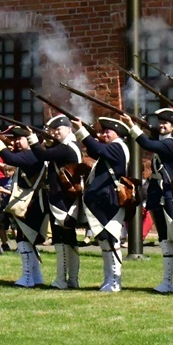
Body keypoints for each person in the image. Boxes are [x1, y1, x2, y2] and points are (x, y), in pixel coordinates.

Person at [121, 109, 173, 294]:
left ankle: (168, 282)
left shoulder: (171, 144)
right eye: (160, 122)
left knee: (167, 239)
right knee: (169, 239)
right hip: (160, 192)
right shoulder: (166, 141)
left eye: (166, 123)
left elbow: (145, 143)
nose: (162, 125)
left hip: (165, 194)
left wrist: (132, 126)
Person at [72, 116, 131, 293]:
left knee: (112, 241)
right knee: (105, 241)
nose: (103, 134)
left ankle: (115, 280)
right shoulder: (111, 147)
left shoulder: (117, 147)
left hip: (109, 199)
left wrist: (81, 130)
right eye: (102, 131)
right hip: (103, 199)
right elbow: (94, 150)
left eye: (108, 131)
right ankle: (109, 278)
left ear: (118, 134)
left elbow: (97, 148)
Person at [29, 115, 83, 289]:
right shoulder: (68, 146)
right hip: (65, 198)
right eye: (54, 130)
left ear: (69, 129)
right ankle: (72, 280)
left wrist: (32, 138)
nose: (55, 133)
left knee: (62, 239)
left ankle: (62, 280)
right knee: (68, 239)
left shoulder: (67, 148)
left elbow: (42, 155)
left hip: (62, 200)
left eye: (58, 130)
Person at [0, 127, 47, 287]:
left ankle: (27, 277)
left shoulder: (32, 154)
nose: (16, 142)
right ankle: (36, 277)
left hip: (30, 204)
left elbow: (10, 159)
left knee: (23, 239)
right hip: (29, 202)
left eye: (19, 139)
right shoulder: (32, 153)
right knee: (27, 240)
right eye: (14, 139)